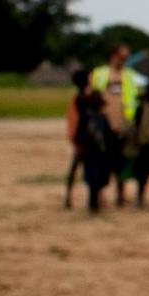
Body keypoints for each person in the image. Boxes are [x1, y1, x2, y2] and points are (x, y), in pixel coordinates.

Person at [73, 89, 119, 214]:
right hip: (95, 154)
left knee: (96, 180)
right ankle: (93, 204)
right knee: (95, 179)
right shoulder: (94, 118)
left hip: (96, 154)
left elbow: (78, 136)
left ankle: (94, 202)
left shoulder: (94, 118)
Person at [63, 69, 89, 209]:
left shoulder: (77, 98)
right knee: (89, 168)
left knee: (75, 167)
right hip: (85, 137)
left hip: (80, 137)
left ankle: (68, 196)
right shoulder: (84, 98)